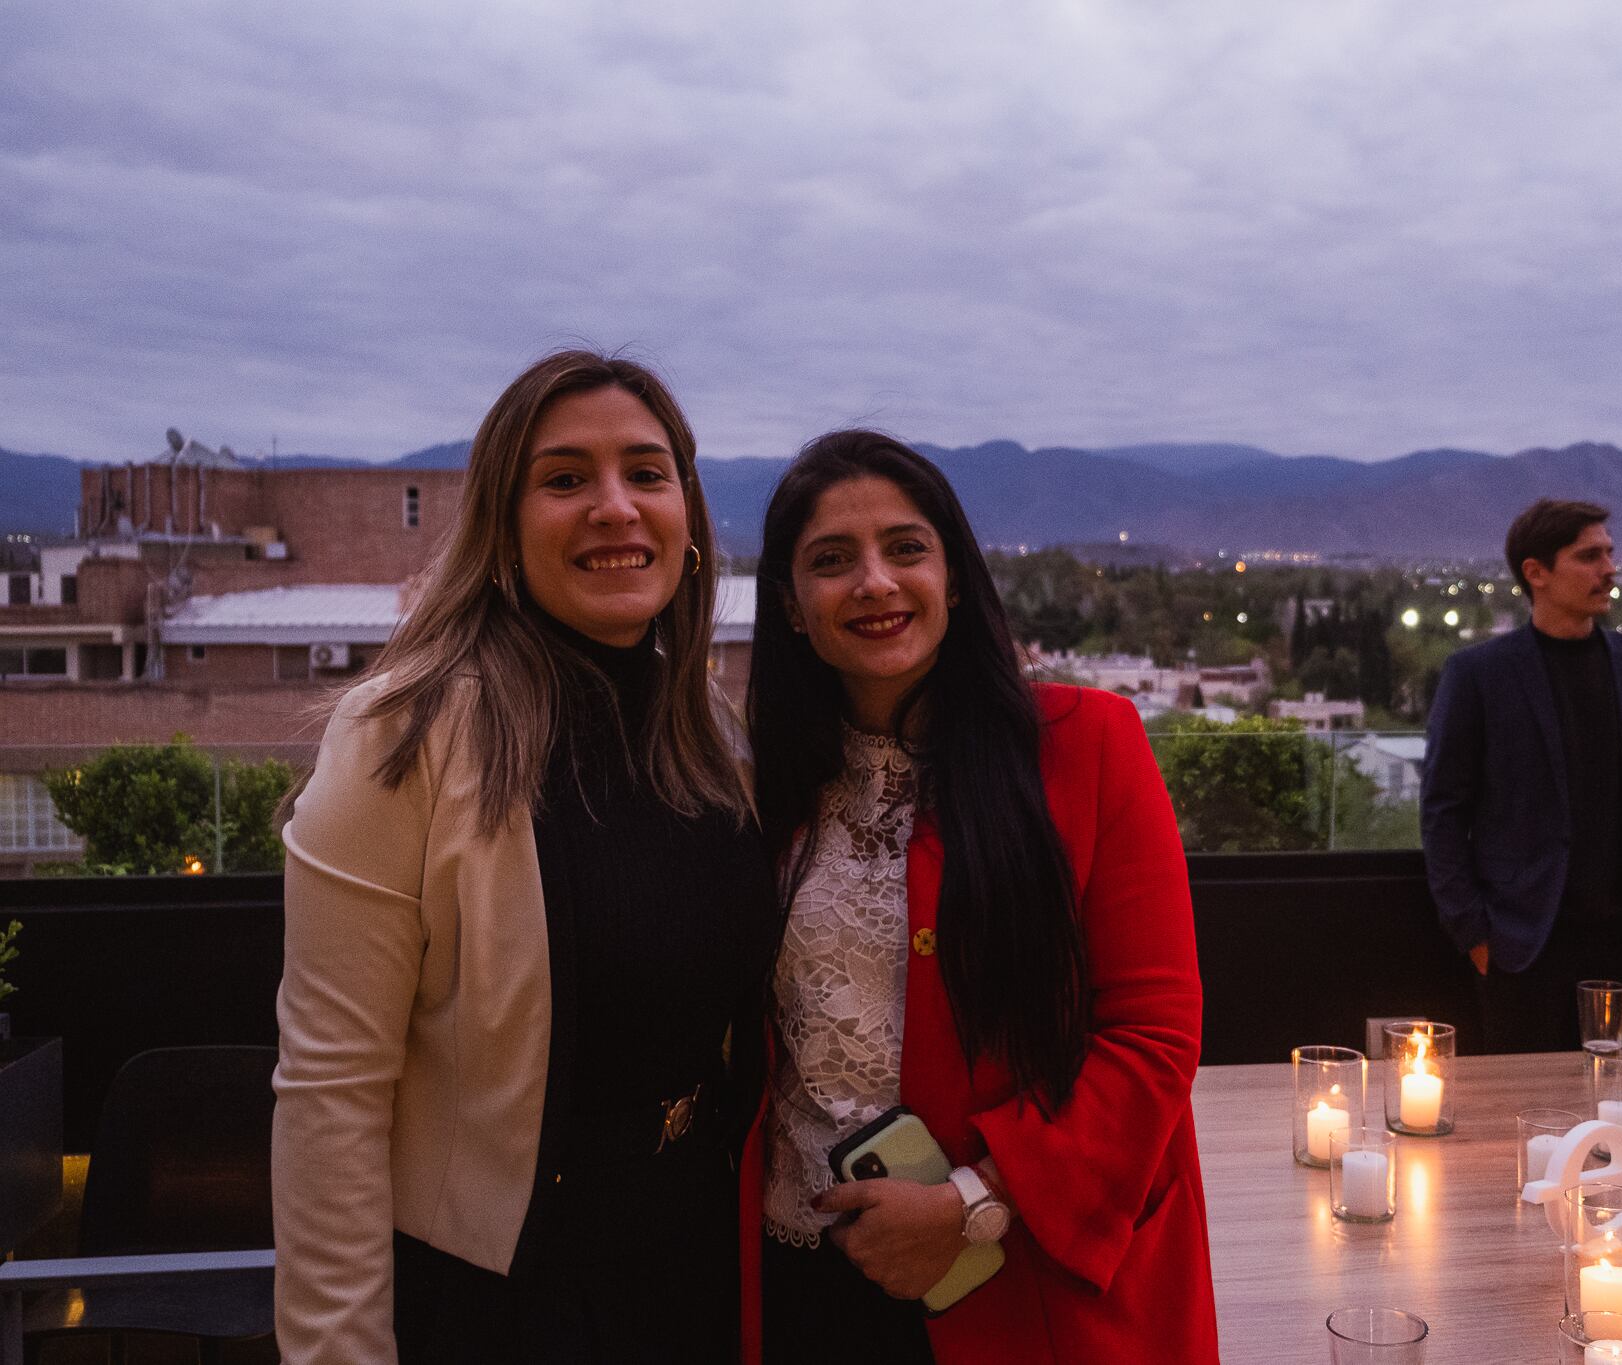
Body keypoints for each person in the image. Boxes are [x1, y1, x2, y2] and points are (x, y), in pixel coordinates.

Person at [271, 351, 777, 1364]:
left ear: (687, 518)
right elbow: (332, 1097)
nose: (613, 507)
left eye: (645, 472)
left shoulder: (704, 729)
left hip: (693, 1266)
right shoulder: (402, 738)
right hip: (507, 1299)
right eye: (563, 479)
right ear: (501, 527)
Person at [741, 430, 1218, 1364]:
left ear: (953, 578)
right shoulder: (759, 792)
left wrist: (972, 1203)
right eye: (832, 561)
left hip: (1018, 1280)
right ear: (794, 609)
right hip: (803, 1278)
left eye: (905, 548)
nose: (874, 581)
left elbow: (1155, 1033)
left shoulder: (1089, 746)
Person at [1421, 498, 1622, 1053]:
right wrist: (1476, 935)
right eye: (1589, 556)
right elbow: (1442, 811)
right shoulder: (1479, 675)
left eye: (1609, 553)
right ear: (1536, 573)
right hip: (1526, 950)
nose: (1609, 569)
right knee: (1529, 1124)